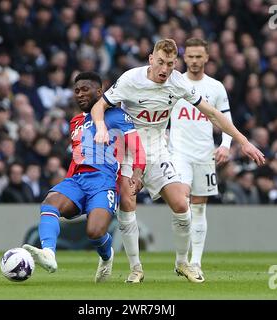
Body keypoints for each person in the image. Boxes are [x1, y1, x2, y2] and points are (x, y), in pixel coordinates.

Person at [91, 38, 265, 284]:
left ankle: (182, 263)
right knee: (127, 203)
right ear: (151, 59)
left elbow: (213, 113)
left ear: (176, 64)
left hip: (158, 150)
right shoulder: (131, 79)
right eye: (160, 62)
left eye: (170, 64)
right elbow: (99, 105)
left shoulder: (178, 83)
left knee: (182, 206)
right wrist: (100, 127)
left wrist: (243, 141)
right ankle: (135, 268)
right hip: (128, 152)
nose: (164, 69)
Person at [23, 72, 146, 283]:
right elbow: (77, 157)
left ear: (100, 92)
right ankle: (49, 254)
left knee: (95, 232)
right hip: (77, 180)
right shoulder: (76, 121)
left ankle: (107, 257)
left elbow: (137, 148)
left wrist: (137, 172)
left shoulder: (117, 115)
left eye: (85, 89)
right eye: (76, 91)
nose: (79, 94)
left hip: (103, 182)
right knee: (50, 203)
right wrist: (66, 184)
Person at [168, 38, 233, 277]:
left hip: (205, 154)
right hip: (179, 153)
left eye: (199, 57)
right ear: (184, 58)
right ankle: (181, 259)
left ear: (207, 58)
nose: (194, 61)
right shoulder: (174, 82)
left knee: (199, 208)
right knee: (182, 203)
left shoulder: (215, 87)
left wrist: (225, 144)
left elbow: (225, 119)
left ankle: (195, 262)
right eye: (191, 56)